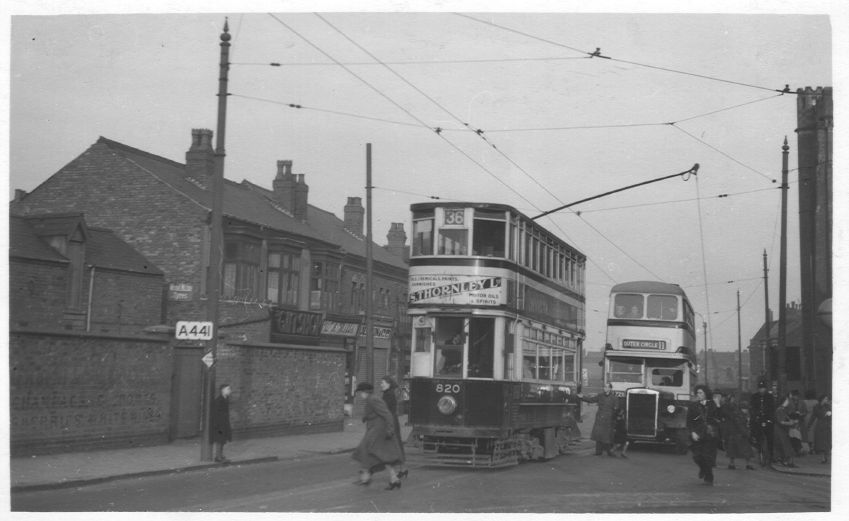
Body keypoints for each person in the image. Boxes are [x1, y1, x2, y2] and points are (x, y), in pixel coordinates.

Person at [351, 382, 404, 490]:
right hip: (375, 430)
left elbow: (387, 414)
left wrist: (390, 430)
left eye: (360, 392)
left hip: (378, 431)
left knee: (367, 451)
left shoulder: (373, 399)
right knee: (380, 455)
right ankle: (393, 479)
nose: (360, 395)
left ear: (365, 392)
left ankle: (366, 477)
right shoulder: (371, 399)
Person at [687, 384, 720, 485]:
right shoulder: (693, 406)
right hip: (698, 434)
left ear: (706, 394)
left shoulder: (712, 405)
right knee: (697, 456)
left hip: (710, 434)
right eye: (697, 393)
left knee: (707, 456)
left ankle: (709, 475)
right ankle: (703, 468)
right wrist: (692, 432)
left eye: (701, 393)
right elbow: (689, 421)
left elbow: (719, 418)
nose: (699, 395)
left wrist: (718, 406)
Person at [577, 382, 619, 456]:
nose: (604, 388)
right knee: (598, 435)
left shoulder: (614, 398)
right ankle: (598, 452)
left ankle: (609, 451)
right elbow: (591, 400)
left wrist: (614, 419)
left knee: (607, 435)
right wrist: (582, 397)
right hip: (600, 418)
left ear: (610, 388)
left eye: (606, 387)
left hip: (608, 419)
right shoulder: (600, 396)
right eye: (604, 387)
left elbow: (616, 409)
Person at [380, 375, 408, 479]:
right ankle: (403, 469)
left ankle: (397, 471)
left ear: (389, 384)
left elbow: (386, 410)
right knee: (397, 444)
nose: (381, 384)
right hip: (393, 420)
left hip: (390, 422)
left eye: (383, 383)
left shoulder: (389, 395)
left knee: (394, 445)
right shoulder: (388, 394)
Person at [721, 393, 755, 470]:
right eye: (746, 409)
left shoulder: (740, 414)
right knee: (743, 450)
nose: (747, 410)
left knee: (736, 451)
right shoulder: (739, 415)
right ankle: (742, 464)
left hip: (736, 435)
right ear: (743, 408)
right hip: (738, 435)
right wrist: (747, 433)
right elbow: (740, 425)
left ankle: (734, 464)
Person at [749, 379, 775, 465]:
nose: (762, 390)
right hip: (758, 420)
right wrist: (755, 416)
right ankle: (759, 452)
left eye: (763, 388)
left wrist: (770, 419)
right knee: (757, 437)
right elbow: (752, 408)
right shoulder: (754, 397)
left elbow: (772, 409)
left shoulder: (770, 397)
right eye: (760, 388)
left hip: (767, 419)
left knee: (770, 438)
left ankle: (770, 456)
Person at [773, 394, 798, 468]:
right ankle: (786, 461)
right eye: (787, 400)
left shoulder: (782, 409)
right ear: (783, 401)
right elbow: (781, 421)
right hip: (779, 431)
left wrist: (792, 421)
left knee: (785, 446)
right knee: (785, 446)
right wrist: (791, 423)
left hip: (782, 430)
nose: (788, 402)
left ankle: (785, 461)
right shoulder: (780, 410)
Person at [211, 383, 233, 463]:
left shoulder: (225, 399)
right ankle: (218, 457)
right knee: (219, 440)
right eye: (228, 389)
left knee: (223, 439)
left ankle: (220, 455)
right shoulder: (219, 400)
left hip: (224, 423)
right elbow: (215, 413)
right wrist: (217, 425)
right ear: (222, 390)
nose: (230, 391)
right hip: (219, 424)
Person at [812, 394, 831, 464]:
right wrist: (826, 414)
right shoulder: (816, 406)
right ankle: (823, 457)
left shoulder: (828, 406)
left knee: (827, 441)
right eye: (826, 399)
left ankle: (826, 455)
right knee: (821, 442)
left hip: (827, 425)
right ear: (822, 399)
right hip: (820, 424)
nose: (827, 400)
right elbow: (816, 415)